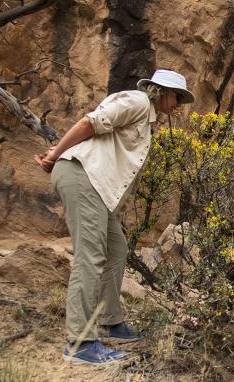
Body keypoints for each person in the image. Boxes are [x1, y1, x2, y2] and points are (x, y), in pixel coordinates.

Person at [35, 69, 195, 365]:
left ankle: (110, 321)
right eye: (177, 96)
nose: (179, 104)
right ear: (159, 91)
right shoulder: (136, 101)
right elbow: (90, 122)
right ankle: (80, 342)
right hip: (82, 176)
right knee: (91, 256)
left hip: (95, 186)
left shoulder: (147, 120)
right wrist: (56, 152)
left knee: (116, 247)